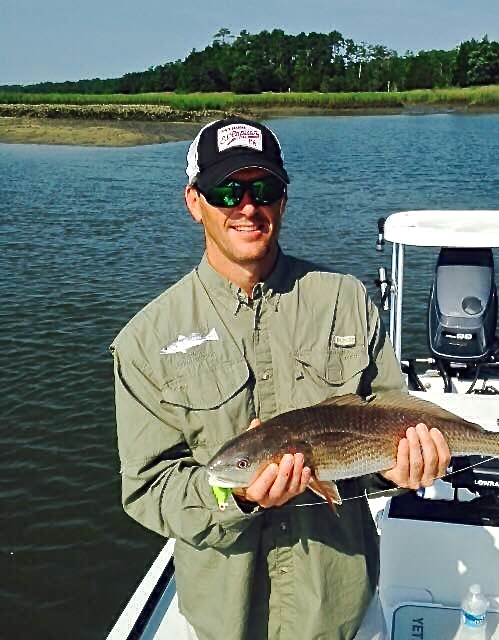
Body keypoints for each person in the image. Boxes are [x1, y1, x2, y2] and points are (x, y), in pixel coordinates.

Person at [111, 116, 450, 640]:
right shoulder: (143, 342)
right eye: (227, 190)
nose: (248, 207)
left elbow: (388, 420)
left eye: (264, 188)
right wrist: (239, 499)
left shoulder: (345, 299)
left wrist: (399, 470)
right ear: (194, 201)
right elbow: (149, 489)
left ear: (283, 200)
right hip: (228, 620)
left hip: (343, 611)